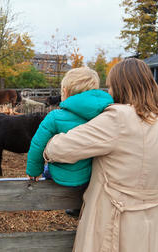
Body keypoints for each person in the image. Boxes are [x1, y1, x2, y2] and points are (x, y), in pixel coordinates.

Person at [43, 58, 158, 252]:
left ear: (121, 87)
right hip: (150, 228)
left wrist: (51, 139)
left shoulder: (117, 118)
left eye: (110, 86)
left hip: (111, 225)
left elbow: (59, 149)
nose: (109, 92)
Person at [26, 67, 114, 200]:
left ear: (65, 92)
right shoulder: (105, 114)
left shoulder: (54, 116)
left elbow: (37, 145)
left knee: (46, 171)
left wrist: (33, 171)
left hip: (60, 176)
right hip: (92, 177)